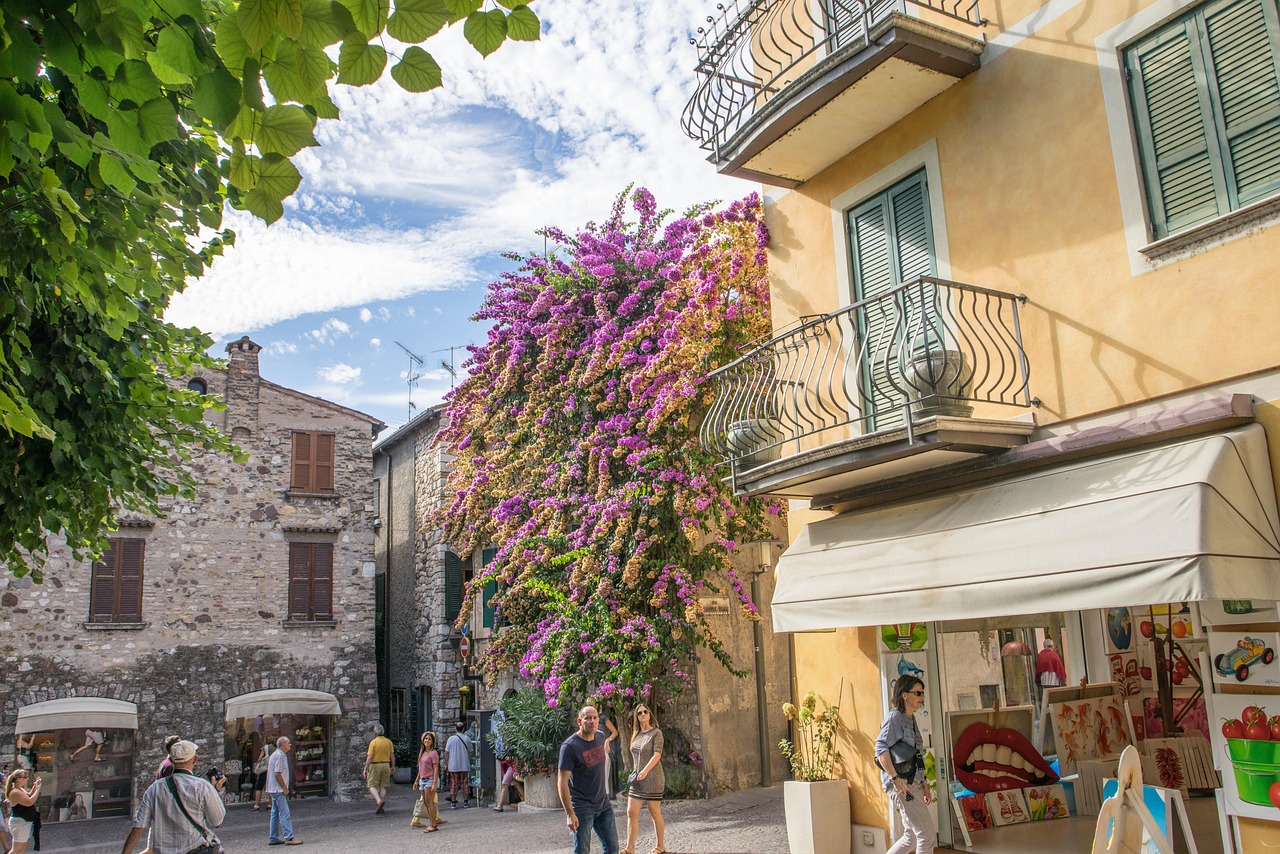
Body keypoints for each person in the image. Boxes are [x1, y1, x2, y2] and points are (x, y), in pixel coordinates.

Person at [121, 739, 225, 854]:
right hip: (194, 850)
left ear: (170, 760)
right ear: (195, 759)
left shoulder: (154, 788)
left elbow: (138, 828)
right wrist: (215, 791)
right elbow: (217, 822)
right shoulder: (202, 787)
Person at [875, 675, 934, 854]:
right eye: (917, 693)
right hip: (902, 784)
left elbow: (916, 754)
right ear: (904, 695)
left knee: (912, 836)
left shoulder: (910, 718)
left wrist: (923, 784)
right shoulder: (895, 718)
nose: (921, 697)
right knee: (926, 834)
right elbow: (880, 748)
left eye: (922, 693)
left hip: (912, 782)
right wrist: (895, 779)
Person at [558, 705, 618, 854]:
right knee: (583, 851)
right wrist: (570, 814)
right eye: (587, 718)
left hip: (603, 804)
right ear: (579, 721)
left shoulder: (600, 736)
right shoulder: (569, 747)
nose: (592, 721)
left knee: (613, 848)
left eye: (595, 717)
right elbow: (562, 782)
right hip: (582, 808)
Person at [623, 704, 665, 854]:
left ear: (649, 714)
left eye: (645, 711)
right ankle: (630, 848)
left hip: (653, 778)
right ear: (636, 717)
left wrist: (646, 771)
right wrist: (636, 772)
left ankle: (660, 846)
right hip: (637, 781)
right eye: (639, 713)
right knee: (631, 812)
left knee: (654, 812)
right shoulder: (636, 734)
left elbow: (657, 754)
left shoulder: (656, 733)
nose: (642, 714)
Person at [266, 735, 302, 845]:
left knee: (275, 813)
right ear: (283, 745)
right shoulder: (280, 756)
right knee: (284, 812)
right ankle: (289, 837)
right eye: (288, 743)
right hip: (278, 789)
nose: (290, 745)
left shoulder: (275, 755)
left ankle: (273, 838)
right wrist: (285, 788)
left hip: (273, 789)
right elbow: (278, 774)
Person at [411, 732, 446, 832]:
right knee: (426, 803)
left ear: (432, 741)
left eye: (429, 739)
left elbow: (435, 769)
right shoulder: (422, 752)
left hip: (429, 779)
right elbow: (420, 768)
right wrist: (416, 780)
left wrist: (435, 783)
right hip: (422, 779)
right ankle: (431, 822)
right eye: (425, 739)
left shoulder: (433, 753)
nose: (427, 741)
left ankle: (433, 824)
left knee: (430, 802)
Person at [4, 768, 40, 854]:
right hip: (20, 822)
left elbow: (28, 796)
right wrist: (38, 789)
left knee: (22, 849)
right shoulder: (15, 792)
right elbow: (29, 801)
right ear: (19, 779)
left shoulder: (20, 789)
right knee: (17, 850)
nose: (27, 779)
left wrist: (34, 788)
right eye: (25, 777)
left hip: (25, 821)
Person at [363, 722, 394, 815]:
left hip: (375, 765)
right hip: (386, 764)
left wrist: (365, 768)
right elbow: (392, 756)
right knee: (383, 786)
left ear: (375, 733)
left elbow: (370, 757)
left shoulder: (373, 742)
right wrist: (393, 766)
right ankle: (381, 806)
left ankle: (379, 801)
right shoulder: (389, 742)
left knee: (371, 786)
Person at [444, 721, 471, 809]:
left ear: (455, 729)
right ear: (463, 729)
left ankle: (453, 802)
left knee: (454, 784)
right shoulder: (467, 738)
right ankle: (466, 802)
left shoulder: (451, 739)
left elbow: (447, 752)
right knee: (464, 783)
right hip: (464, 764)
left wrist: (446, 763)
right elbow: (470, 750)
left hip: (453, 765)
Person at [251, 737, 271, 812]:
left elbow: (260, 758)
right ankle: (270, 805)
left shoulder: (265, 748)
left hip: (265, 770)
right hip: (272, 770)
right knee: (270, 787)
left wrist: (257, 764)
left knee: (259, 787)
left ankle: (257, 805)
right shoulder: (275, 748)